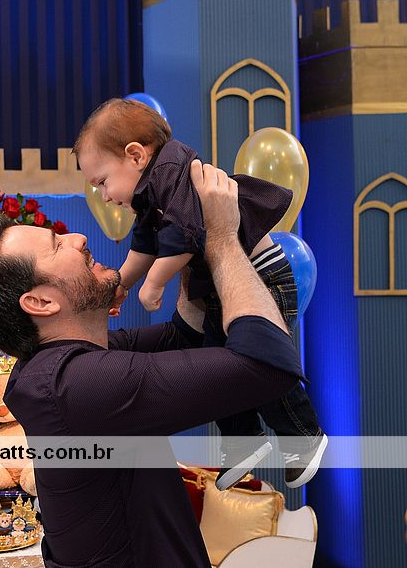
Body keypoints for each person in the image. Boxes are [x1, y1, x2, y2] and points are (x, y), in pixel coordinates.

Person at [0, 162, 304, 566]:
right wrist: (223, 238)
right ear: (41, 302)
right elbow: (268, 366)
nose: (79, 238)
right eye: (57, 245)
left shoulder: (62, 365)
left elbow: (184, 337)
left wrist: (188, 242)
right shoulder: (77, 384)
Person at [73, 98, 327, 489]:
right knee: (218, 366)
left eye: (102, 182)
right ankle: (243, 442)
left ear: (136, 155)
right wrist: (122, 283)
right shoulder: (149, 192)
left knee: (263, 360)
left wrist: (155, 282)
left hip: (261, 277)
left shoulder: (172, 172)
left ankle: (302, 437)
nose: (104, 196)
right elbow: (145, 244)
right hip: (220, 291)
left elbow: (184, 235)